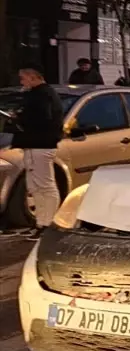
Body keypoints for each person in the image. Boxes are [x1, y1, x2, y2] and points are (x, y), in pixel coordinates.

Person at [11, 64, 64, 231]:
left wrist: (19, 118)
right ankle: (42, 222)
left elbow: (41, 119)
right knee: (36, 186)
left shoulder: (41, 95)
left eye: (23, 78)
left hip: (39, 145)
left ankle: (47, 223)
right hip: (37, 144)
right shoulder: (43, 94)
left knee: (44, 186)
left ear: (33, 78)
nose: (21, 81)